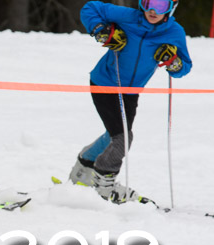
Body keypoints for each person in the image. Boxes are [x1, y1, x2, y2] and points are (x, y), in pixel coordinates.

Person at [69, 0, 191, 204]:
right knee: (122, 137)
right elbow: (90, 8)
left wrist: (173, 61)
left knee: (114, 135)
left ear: (171, 8)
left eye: (160, 6)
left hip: (131, 92)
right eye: (148, 3)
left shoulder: (174, 32)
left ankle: (83, 167)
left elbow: (184, 67)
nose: (152, 10)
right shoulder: (127, 17)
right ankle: (104, 185)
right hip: (105, 82)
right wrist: (101, 30)